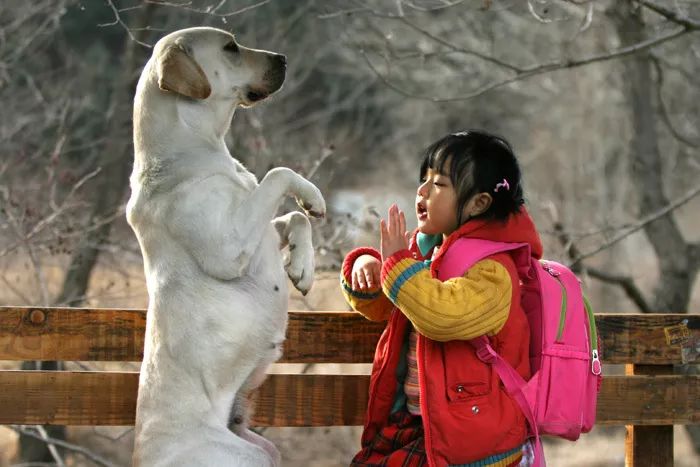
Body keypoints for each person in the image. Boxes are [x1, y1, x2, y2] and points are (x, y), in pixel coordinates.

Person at [339, 130, 542, 467]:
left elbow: (444, 315)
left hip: (473, 441)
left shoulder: (494, 272)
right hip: (420, 423)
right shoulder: (429, 254)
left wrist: (399, 267)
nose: (422, 191)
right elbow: (390, 306)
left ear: (478, 203)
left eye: (439, 184)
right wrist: (368, 269)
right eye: (424, 179)